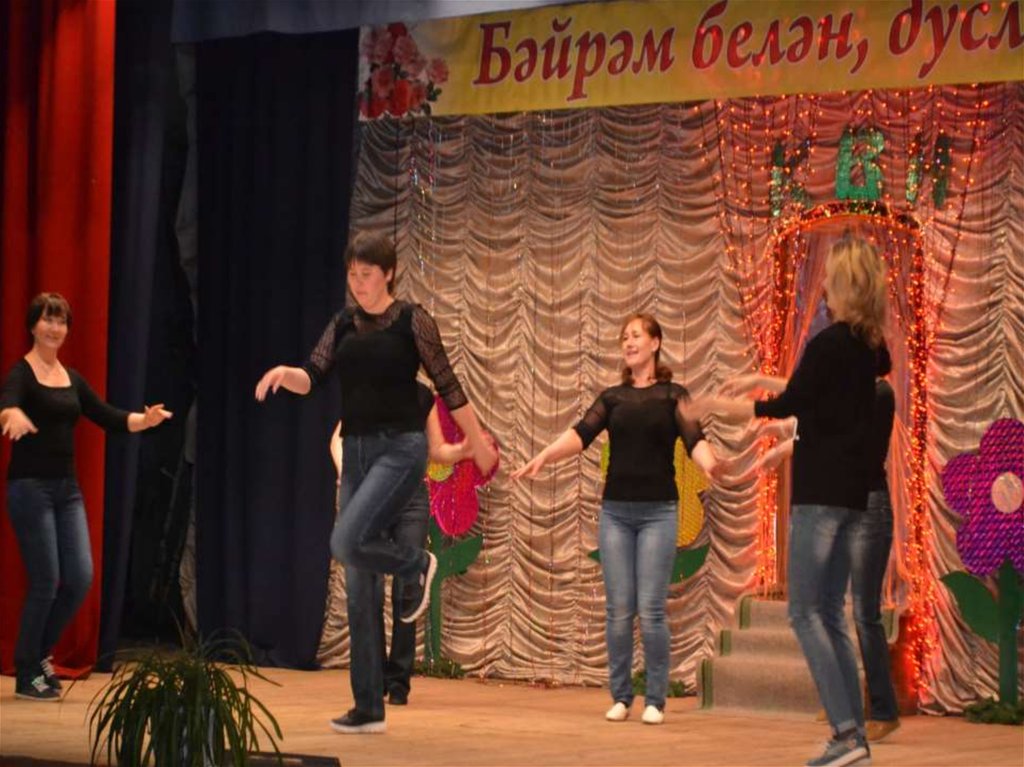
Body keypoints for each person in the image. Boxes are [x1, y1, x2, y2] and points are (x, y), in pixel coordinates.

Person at [255, 232, 497, 733]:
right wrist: (285, 373)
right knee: (358, 581)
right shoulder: (342, 323)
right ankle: (368, 707)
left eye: (366, 274)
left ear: (388, 274)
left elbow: (449, 386)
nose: (357, 283)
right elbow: (313, 374)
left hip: (400, 449)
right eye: (352, 274)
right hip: (358, 452)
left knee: (345, 541)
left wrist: (476, 443)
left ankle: (417, 563)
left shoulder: (412, 320)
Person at [694, 235, 887, 767]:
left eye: (829, 278)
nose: (822, 286)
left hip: (820, 496)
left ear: (842, 284)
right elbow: (816, 403)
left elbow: (787, 403)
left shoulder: (828, 345)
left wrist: (716, 405)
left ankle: (846, 732)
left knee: (804, 612)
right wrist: (764, 390)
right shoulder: (869, 352)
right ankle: (854, 736)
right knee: (830, 614)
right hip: (850, 499)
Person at [513, 313, 721, 726]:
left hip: (659, 513)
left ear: (655, 343)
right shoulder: (612, 398)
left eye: (636, 336)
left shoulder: (673, 395)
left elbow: (695, 440)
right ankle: (622, 696)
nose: (628, 342)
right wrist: (544, 456)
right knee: (619, 609)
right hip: (616, 515)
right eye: (624, 337)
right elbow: (579, 434)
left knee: (652, 609)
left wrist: (713, 464)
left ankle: (655, 699)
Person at [723, 348, 901, 744]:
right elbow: (809, 394)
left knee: (865, 614)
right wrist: (761, 383)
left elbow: (850, 447)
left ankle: (884, 710)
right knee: (830, 607)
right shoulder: (852, 391)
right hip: (841, 504)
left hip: (868, 508)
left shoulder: (879, 393)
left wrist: (787, 446)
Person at [0, 293, 172, 701]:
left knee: (79, 578)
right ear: (33, 325)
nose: (54, 328)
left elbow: (107, 415)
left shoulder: (72, 379)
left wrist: (145, 420)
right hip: (30, 488)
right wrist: (12, 415)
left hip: (67, 491)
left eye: (61, 321)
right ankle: (27, 671)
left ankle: (40, 654)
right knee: (46, 580)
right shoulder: (21, 373)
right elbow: (6, 405)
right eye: (47, 320)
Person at [328, 383, 470, 731]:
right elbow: (336, 439)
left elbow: (436, 449)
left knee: (408, 588)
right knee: (369, 591)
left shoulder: (421, 395)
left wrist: (463, 450)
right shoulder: (365, 387)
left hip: (411, 498)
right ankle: (374, 678)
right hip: (371, 496)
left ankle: (399, 681)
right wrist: (348, 474)